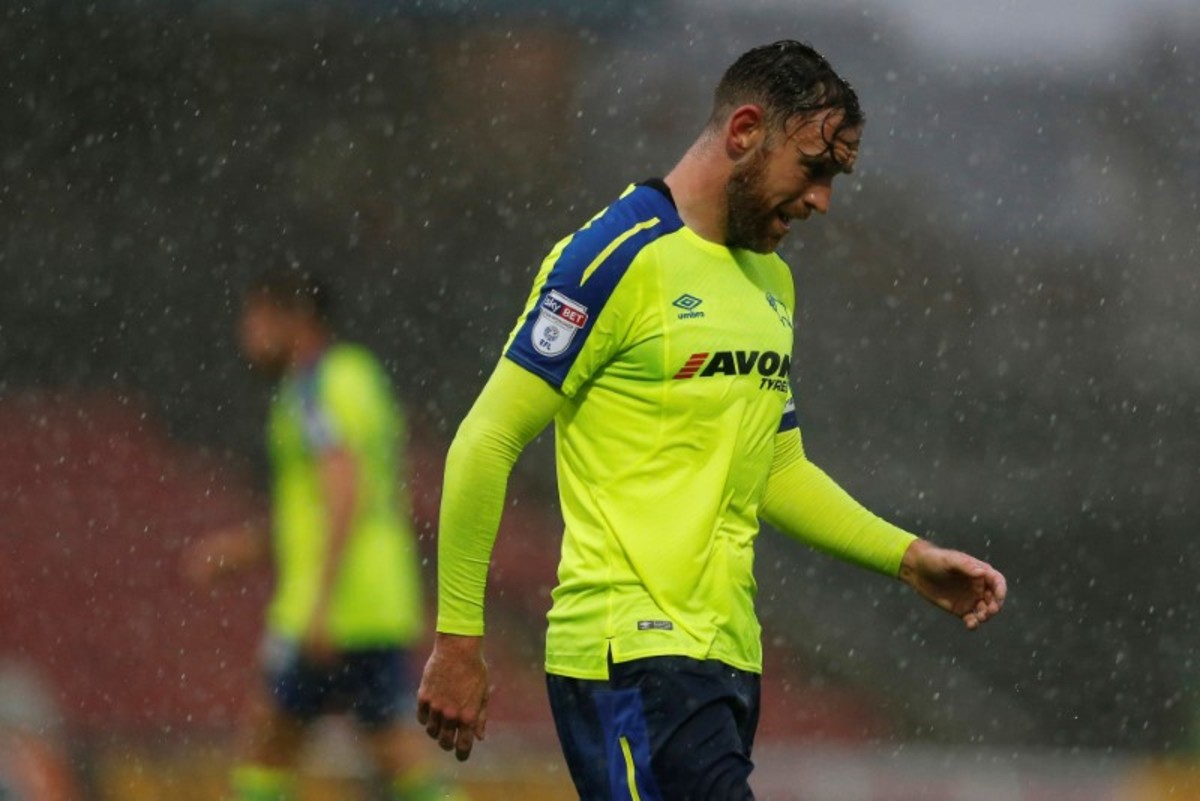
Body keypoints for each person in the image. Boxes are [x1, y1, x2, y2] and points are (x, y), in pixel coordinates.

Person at [418, 40, 1007, 800]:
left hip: (724, 659)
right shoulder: (613, 256)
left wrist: (908, 557)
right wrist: (458, 639)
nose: (821, 200)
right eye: (813, 168)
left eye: (835, 178)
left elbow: (776, 469)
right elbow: (487, 438)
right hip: (630, 654)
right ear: (745, 131)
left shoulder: (772, 283)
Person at [186, 271, 461, 801]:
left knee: (271, 744)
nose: (248, 333)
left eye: (257, 318)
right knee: (386, 749)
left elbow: (344, 487)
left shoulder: (316, 387)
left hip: (335, 604)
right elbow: (326, 503)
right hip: (373, 599)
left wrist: (322, 600)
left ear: (295, 318)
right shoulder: (355, 376)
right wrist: (245, 551)